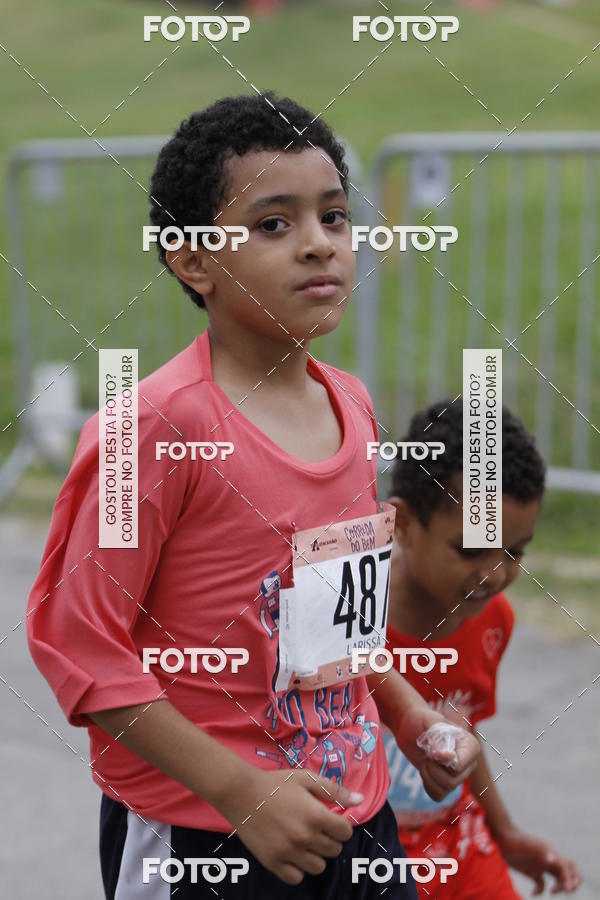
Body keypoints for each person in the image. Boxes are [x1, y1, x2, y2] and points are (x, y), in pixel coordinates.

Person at [26, 94, 480, 899]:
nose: (318, 244)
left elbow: (335, 624)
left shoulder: (352, 404)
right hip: (207, 839)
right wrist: (241, 792)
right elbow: (78, 645)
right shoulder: (147, 431)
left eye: (334, 217)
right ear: (193, 261)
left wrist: (409, 715)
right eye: (274, 224)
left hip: (356, 822)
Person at [383, 398, 582, 897]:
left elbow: (461, 730)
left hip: (459, 846)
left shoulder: (493, 620)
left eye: (514, 551)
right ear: (402, 523)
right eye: (471, 548)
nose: (495, 574)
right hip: (365, 856)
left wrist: (505, 832)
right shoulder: (348, 617)